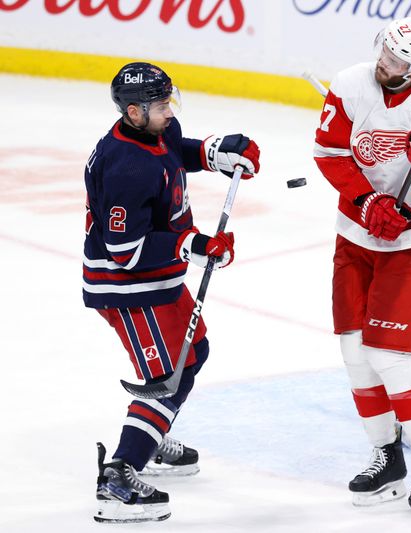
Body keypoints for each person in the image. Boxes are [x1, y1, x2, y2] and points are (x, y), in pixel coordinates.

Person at [84, 62, 260, 523]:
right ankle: (118, 476)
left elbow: (174, 150)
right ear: (134, 112)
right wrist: (193, 244)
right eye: (161, 105)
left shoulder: (155, 131)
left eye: (168, 100)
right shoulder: (124, 168)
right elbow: (123, 250)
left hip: (159, 277)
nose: (170, 111)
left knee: (192, 353)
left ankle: (149, 435)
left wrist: (214, 153)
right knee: (169, 376)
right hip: (128, 286)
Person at [313, 15, 411, 520]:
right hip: (355, 236)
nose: (385, 62)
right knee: (355, 352)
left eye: (397, 60)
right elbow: (330, 154)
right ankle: (387, 456)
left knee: (389, 355)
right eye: (384, 51)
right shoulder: (351, 83)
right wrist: (366, 202)